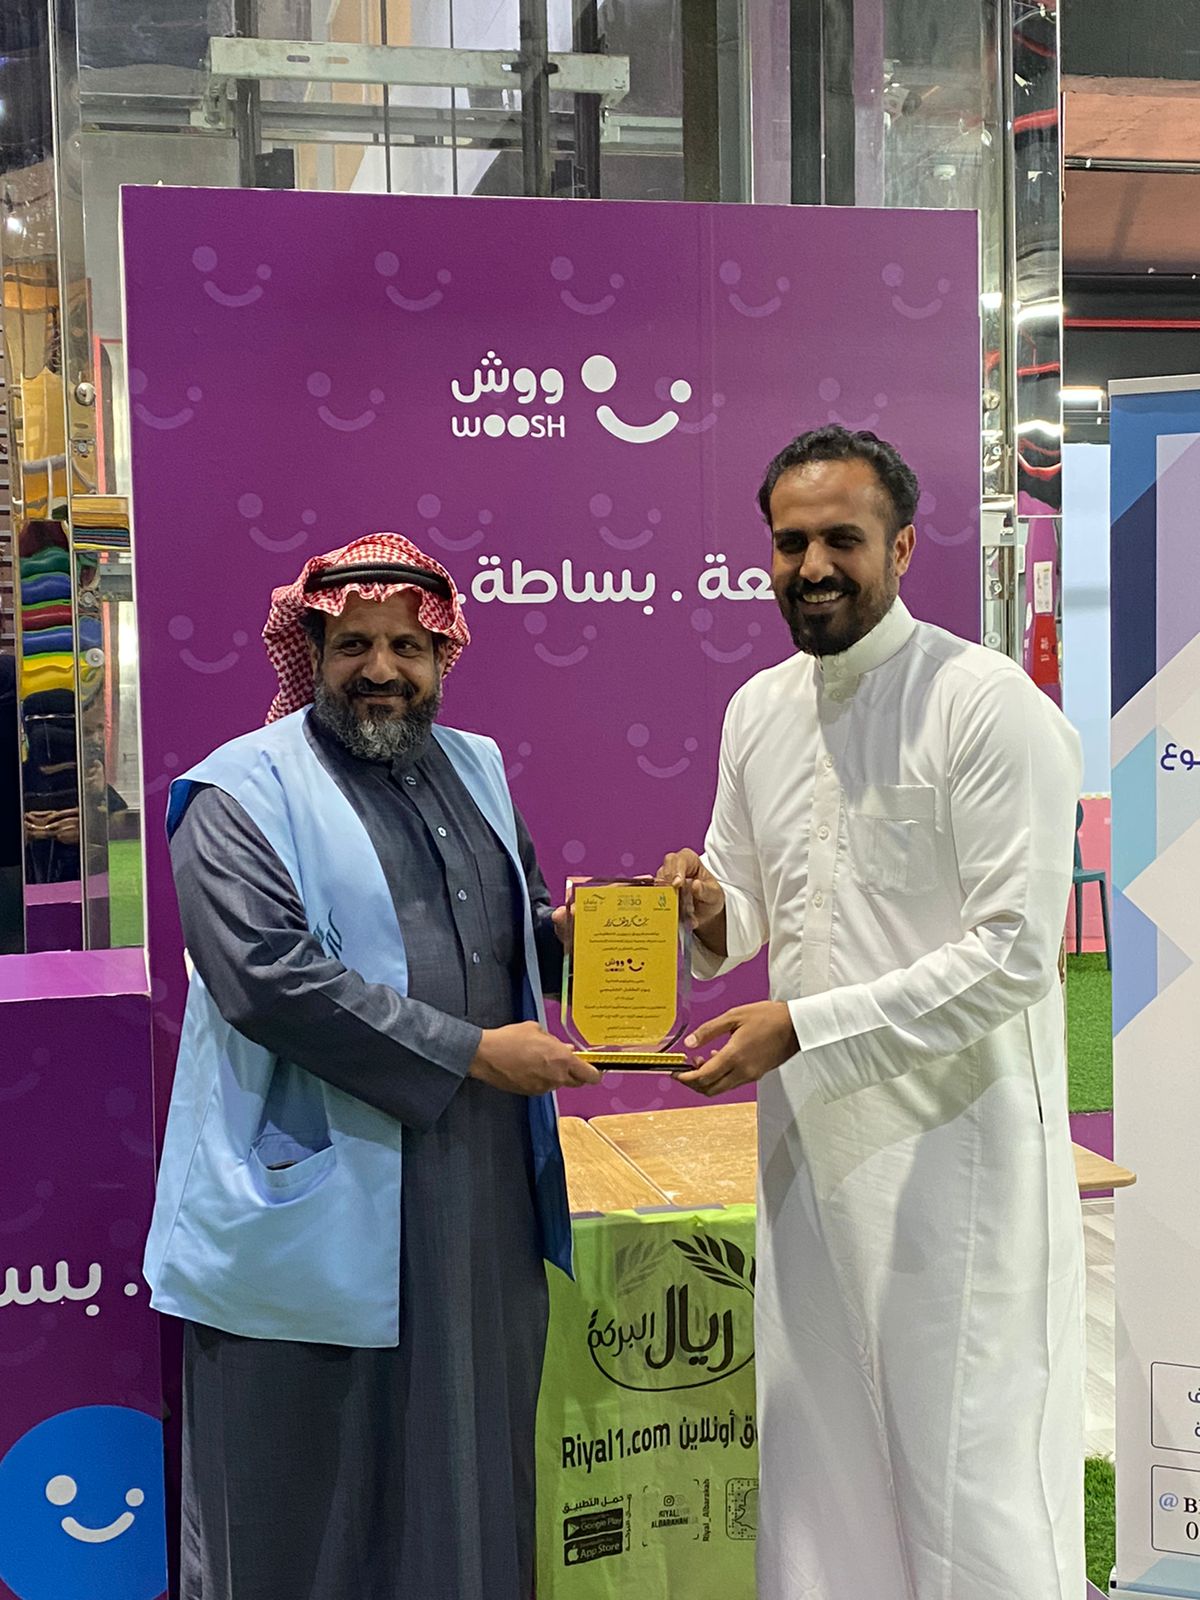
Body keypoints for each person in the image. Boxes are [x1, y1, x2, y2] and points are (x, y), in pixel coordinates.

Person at [656, 426, 1085, 1600]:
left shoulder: (985, 706)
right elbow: (748, 905)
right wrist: (705, 908)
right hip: (808, 1149)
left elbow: (1013, 957)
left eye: (841, 539)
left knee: (968, 1472)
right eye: (790, 542)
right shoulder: (758, 708)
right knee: (819, 1459)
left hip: (957, 1156)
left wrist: (803, 1025)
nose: (812, 566)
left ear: (899, 548)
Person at [143, 533, 601, 1600]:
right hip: (315, 1185)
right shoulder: (238, 791)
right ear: (311, 652)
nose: (382, 669)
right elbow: (266, 979)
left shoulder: (478, 767)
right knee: (308, 1488)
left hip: (477, 1185)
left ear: (442, 655)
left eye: (407, 645)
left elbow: (518, 927)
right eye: (353, 645)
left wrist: (591, 937)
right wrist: (472, 1052)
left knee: (469, 1466)